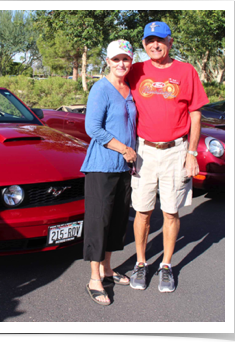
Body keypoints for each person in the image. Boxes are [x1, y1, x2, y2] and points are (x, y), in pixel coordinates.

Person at [126, 22, 209, 293]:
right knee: (142, 210)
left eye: (160, 40)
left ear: (170, 42)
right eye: (149, 40)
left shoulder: (186, 71)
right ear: (144, 44)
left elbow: (195, 114)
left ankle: (166, 266)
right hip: (144, 151)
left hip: (175, 151)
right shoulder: (136, 70)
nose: (155, 45)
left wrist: (192, 153)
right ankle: (140, 263)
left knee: (171, 212)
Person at [81, 40, 137, 306]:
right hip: (102, 166)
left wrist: (131, 156)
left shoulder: (129, 88)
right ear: (108, 61)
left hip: (123, 167)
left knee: (116, 220)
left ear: (131, 60)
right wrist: (125, 149)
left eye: (125, 59)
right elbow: (93, 128)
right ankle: (94, 278)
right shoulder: (101, 89)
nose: (121, 64)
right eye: (116, 59)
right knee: (98, 221)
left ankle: (107, 268)